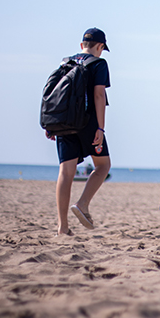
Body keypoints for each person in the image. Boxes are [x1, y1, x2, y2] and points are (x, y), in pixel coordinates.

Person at [45, 28, 111, 237]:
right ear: (100, 47)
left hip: (64, 123)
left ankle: (62, 227)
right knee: (103, 165)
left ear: (81, 45)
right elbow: (99, 95)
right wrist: (100, 128)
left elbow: (54, 95)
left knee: (65, 173)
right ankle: (82, 204)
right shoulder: (99, 64)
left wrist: (52, 123)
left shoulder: (66, 63)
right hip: (89, 124)